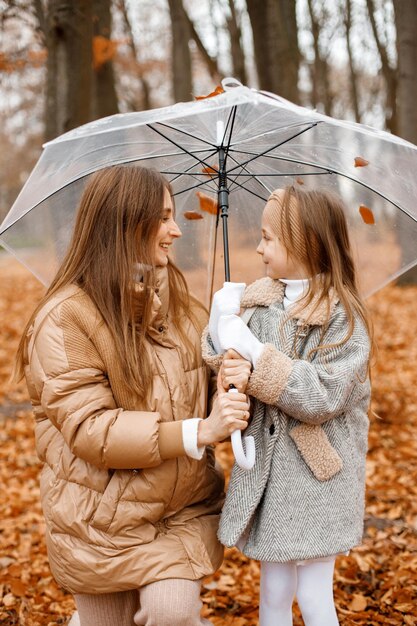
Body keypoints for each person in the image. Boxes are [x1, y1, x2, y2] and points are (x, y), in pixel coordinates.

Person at [14, 165, 250, 626]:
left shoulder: (180, 301)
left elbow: (197, 389)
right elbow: (90, 429)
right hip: (98, 522)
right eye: (163, 217)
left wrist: (226, 375)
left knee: (172, 614)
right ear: (126, 221)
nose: (176, 229)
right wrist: (199, 430)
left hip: (176, 513)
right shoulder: (66, 318)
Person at [202, 185, 373, 626]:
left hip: (318, 481)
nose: (258, 247)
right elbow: (224, 359)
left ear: (305, 242)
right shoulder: (261, 300)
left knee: (314, 595)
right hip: (272, 478)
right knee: (274, 591)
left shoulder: (343, 318)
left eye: (268, 237)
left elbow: (322, 396)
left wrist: (257, 356)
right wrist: (219, 327)